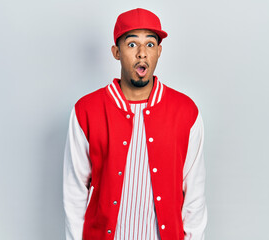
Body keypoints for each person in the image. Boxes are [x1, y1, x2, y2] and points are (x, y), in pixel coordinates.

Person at [63, 8, 207, 240]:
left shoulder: (186, 112)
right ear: (116, 52)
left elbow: (195, 197)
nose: (142, 53)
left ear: (159, 51)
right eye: (131, 44)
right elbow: (74, 192)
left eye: (150, 44)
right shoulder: (86, 111)